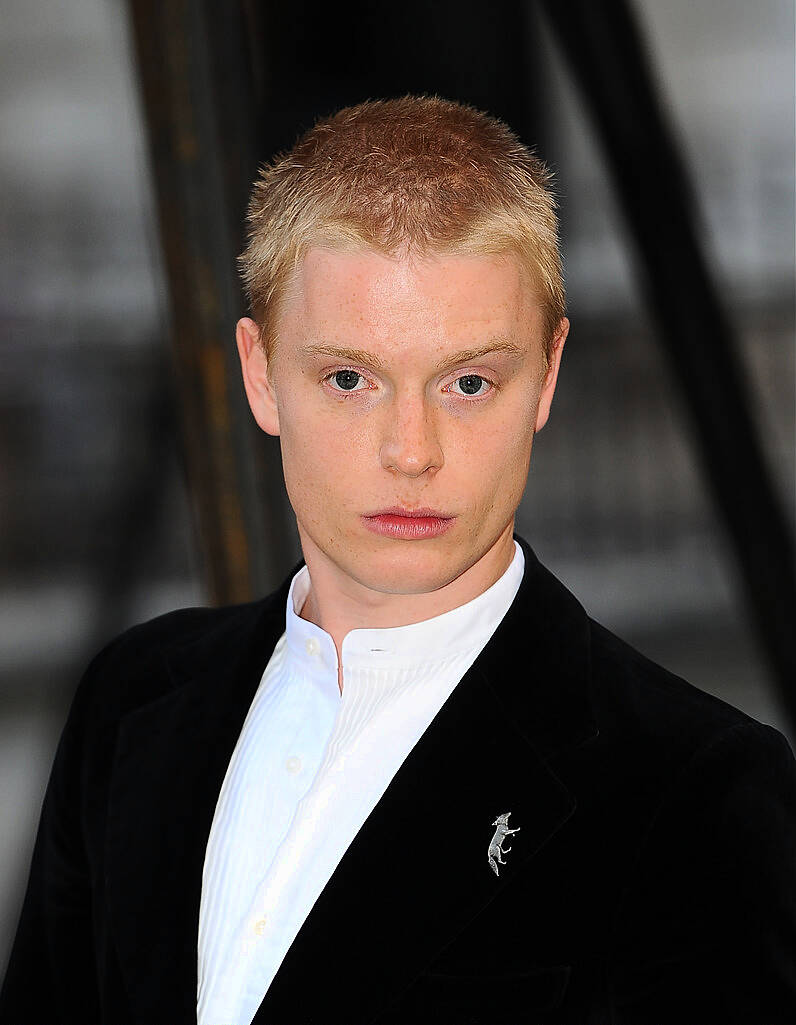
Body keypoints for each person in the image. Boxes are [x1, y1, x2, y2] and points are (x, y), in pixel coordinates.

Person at [1, 94, 795, 1025]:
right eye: (350, 378)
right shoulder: (132, 704)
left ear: (546, 374)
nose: (410, 450)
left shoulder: (697, 794)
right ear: (259, 375)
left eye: (467, 382)